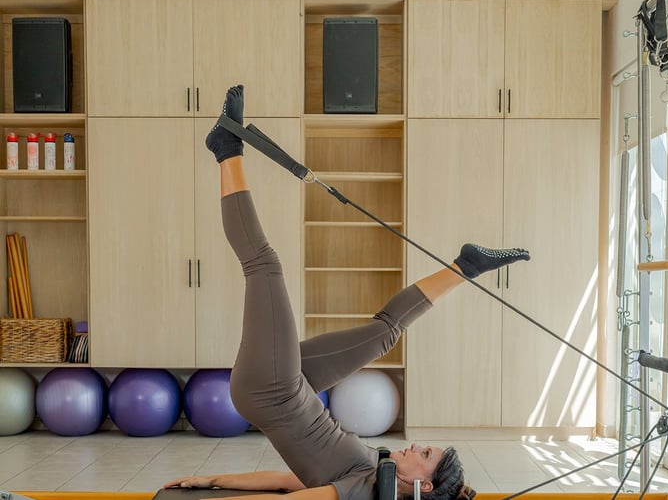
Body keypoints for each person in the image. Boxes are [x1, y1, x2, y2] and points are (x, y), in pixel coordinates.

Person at [163, 85, 531, 500]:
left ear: (424, 484)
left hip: (272, 391)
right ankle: (466, 266)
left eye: (425, 453)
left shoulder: (367, 490)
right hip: (295, 387)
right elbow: (287, 481)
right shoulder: (381, 467)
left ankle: (226, 148)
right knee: (385, 331)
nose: (416, 446)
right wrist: (213, 480)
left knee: (263, 264)